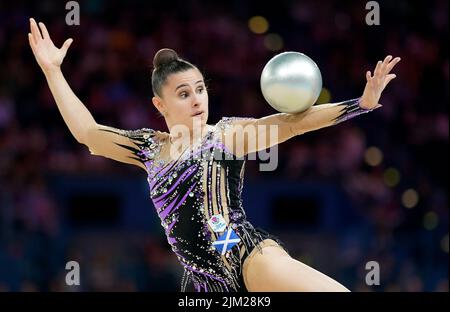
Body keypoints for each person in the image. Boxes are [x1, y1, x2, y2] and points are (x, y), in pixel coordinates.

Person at [27, 18, 400, 292]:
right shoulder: (149, 148)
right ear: (160, 104)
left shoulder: (227, 135)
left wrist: (360, 104)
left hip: (250, 260)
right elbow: (89, 134)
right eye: (184, 93)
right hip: (204, 284)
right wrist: (52, 70)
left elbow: (290, 124)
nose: (197, 99)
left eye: (201, 89)